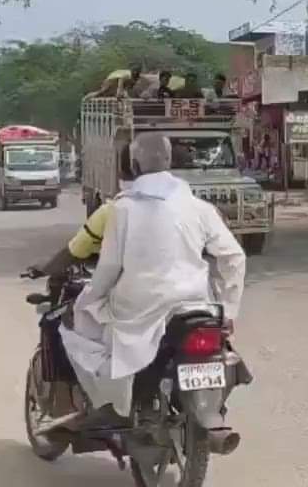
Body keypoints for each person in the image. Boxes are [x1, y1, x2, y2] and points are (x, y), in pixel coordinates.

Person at [58, 133, 247, 427]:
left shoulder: (123, 208)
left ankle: (111, 404)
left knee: (82, 325)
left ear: (134, 165)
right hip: (195, 304)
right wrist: (228, 308)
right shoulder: (199, 207)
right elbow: (234, 257)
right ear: (170, 161)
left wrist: (91, 298)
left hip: (139, 307)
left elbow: (109, 267)